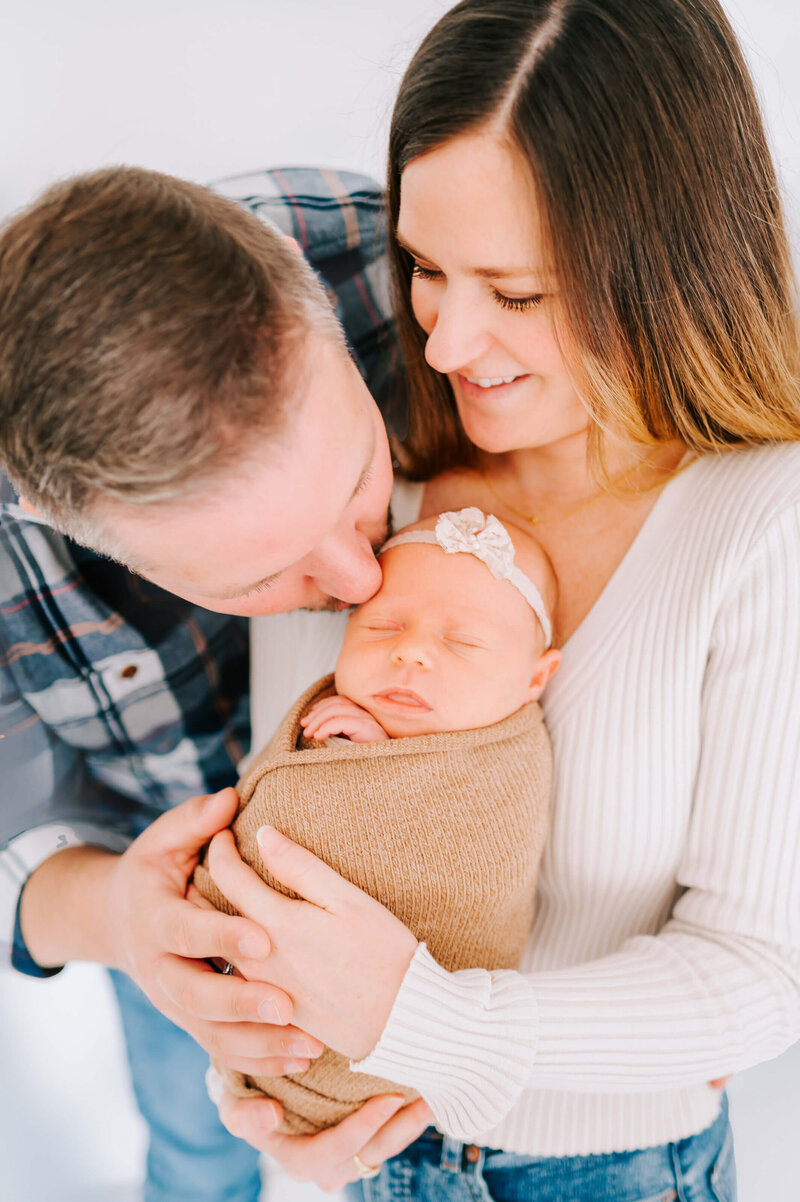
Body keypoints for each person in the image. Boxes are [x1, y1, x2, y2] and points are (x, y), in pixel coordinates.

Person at [202, 0, 800, 1197]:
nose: (442, 341)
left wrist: (426, 1023)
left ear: (668, 266)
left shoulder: (759, 520)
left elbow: (756, 970)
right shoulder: (363, 491)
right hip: (345, 1163)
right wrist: (249, 1057)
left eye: (515, 293)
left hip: (610, 1168)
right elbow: (276, 825)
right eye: (425, 269)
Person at [0, 164, 424, 1202]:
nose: (360, 577)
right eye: (260, 575)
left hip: (437, 857)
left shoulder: (394, 254)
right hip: (165, 903)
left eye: (359, 474)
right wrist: (130, 921)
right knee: (194, 1145)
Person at [193, 507, 559, 1133]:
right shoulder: (342, 704)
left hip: (422, 1078)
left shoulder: (502, 767)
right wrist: (361, 747)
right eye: (382, 627)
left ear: (536, 677)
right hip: (248, 1039)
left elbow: (449, 857)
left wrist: (368, 756)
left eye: (463, 642)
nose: (411, 652)